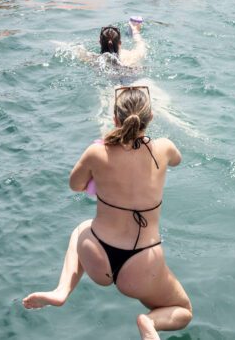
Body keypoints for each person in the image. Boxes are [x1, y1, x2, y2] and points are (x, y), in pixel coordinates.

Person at [22, 86, 192, 340]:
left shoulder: (96, 152)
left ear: (115, 119)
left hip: (97, 254)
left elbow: (75, 185)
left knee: (81, 228)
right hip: (141, 266)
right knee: (183, 310)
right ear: (151, 117)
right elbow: (177, 159)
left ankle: (61, 291)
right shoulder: (164, 148)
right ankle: (149, 322)